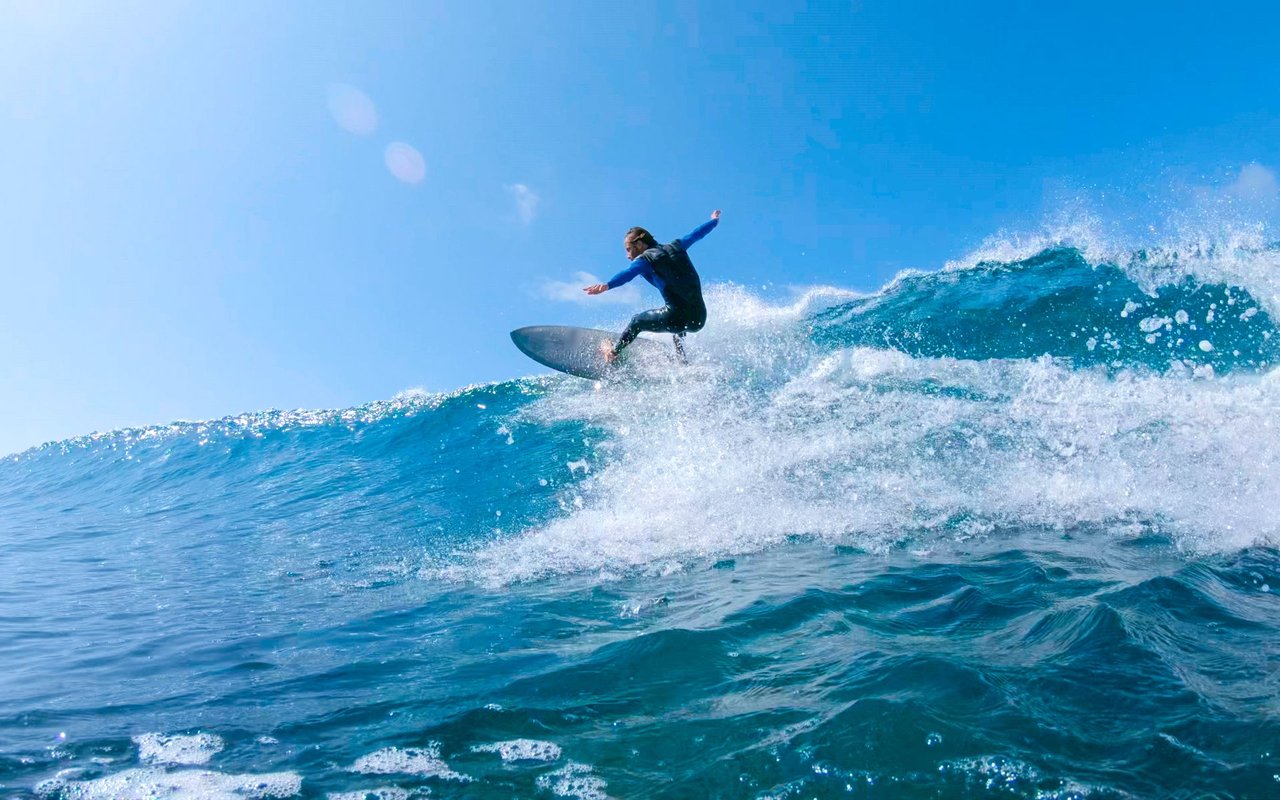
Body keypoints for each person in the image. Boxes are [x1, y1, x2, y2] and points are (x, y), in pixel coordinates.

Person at [584, 209, 722, 363]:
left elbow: (628, 274)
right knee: (680, 321)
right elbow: (697, 233)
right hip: (699, 318)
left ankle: (613, 353)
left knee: (637, 321)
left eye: (629, 249)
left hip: (675, 319)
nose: (628, 256)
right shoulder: (678, 246)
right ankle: (682, 361)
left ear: (640, 244)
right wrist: (714, 221)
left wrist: (607, 285)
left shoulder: (645, 260)